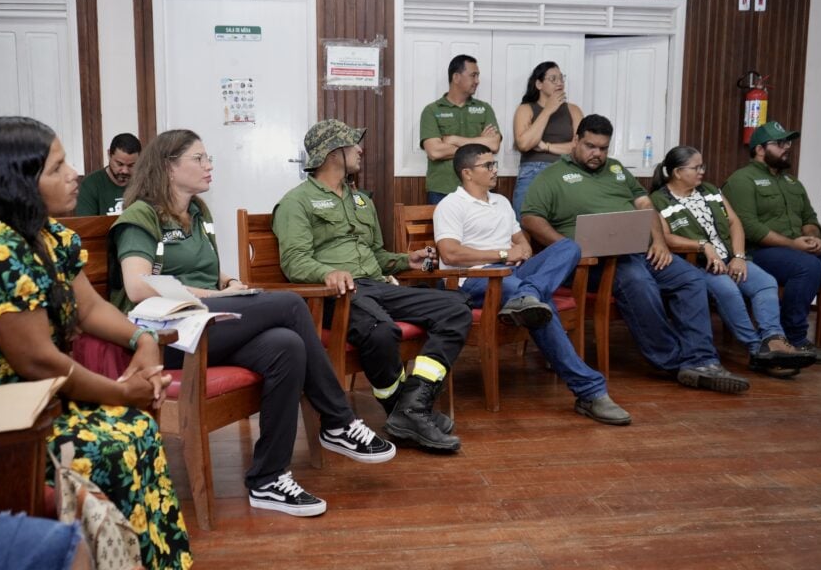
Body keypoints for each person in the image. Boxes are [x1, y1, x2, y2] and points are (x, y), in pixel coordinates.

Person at [0, 116, 191, 569]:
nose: (73, 173)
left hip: (26, 407)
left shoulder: (49, 236)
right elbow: (38, 361)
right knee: (115, 443)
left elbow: (90, 310)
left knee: (138, 430)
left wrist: (142, 338)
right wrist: (119, 390)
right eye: (56, 168)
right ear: (18, 183)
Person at [110, 128, 395, 518]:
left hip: (204, 327)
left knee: (286, 346)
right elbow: (138, 286)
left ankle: (268, 479)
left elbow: (201, 270)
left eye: (208, 158)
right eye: (199, 159)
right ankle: (338, 420)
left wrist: (226, 281)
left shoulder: (198, 214)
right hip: (165, 339)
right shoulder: (139, 215)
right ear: (168, 166)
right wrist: (215, 296)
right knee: (291, 306)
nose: (209, 165)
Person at [274, 119, 473, 451]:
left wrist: (403, 260)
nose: (360, 149)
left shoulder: (360, 200)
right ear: (332, 152)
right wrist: (327, 273)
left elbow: (376, 254)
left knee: (456, 307)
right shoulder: (297, 202)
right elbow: (294, 261)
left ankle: (414, 403)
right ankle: (401, 409)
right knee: (380, 331)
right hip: (336, 295)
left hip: (376, 285)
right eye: (353, 144)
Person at [520, 114, 749, 394]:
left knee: (691, 278)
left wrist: (659, 241)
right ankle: (673, 362)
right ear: (576, 141)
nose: (597, 154)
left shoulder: (616, 169)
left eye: (603, 148)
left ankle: (702, 361)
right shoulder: (553, 176)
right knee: (638, 282)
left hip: (637, 250)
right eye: (591, 146)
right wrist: (567, 250)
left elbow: (644, 203)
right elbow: (531, 218)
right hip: (591, 263)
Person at [434, 144, 631, 425]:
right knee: (532, 299)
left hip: (515, 274)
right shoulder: (451, 205)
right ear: (467, 172)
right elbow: (450, 253)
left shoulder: (501, 202)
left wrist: (523, 250)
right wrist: (503, 255)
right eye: (488, 166)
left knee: (570, 249)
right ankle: (591, 391)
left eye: (494, 164)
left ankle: (527, 295)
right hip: (478, 280)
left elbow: (520, 240)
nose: (495, 170)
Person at [649, 146, 816, 378]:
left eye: (702, 166)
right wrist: (702, 246)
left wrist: (738, 257)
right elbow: (666, 237)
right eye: (696, 167)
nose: (702, 172)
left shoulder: (710, 190)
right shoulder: (658, 200)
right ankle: (757, 349)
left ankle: (773, 340)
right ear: (677, 172)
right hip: (699, 265)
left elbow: (735, 223)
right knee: (728, 289)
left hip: (730, 257)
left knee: (765, 282)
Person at [724, 120, 821, 363]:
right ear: (760, 149)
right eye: (780, 143)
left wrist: (814, 238)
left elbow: (809, 218)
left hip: (800, 249)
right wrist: (794, 245)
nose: (787, 148)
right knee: (807, 267)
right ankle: (793, 337)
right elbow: (748, 227)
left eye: (788, 142)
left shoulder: (792, 182)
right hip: (761, 253)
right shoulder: (741, 180)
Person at [419, 54, 502, 204]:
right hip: (442, 189)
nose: (477, 81)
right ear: (456, 77)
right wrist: (479, 143)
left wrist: (455, 140)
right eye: (473, 75)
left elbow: (494, 145)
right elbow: (435, 151)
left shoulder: (484, 109)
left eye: (478, 76)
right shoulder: (432, 110)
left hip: (479, 188)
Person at [511, 61, 584, 220]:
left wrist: (546, 146)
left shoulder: (573, 110)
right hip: (532, 170)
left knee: (570, 221)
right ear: (539, 84)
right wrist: (548, 110)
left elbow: (579, 148)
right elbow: (524, 144)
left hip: (566, 169)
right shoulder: (525, 109)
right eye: (553, 79)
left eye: (561, 78)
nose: (559, 83)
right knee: (523, 220)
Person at [75, 133, 141, 216]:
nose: (125, 171)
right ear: (109, 155)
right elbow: (85, 225)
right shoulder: (91, 184)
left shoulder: (145, 183)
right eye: (119, 164)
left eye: (131, 165)